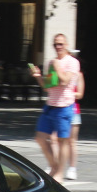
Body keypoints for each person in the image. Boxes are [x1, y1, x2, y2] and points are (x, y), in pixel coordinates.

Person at [29, 33, 80, 181]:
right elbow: (47, 86)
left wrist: (57, 67)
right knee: (40, 138)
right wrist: (38, 76)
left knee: (63, 140)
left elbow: (64, 81)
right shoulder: (50, 62)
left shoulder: (72, 62)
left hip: (65, 106)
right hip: (50, 105)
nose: (58, 47)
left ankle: (60, 173)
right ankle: (54, 166)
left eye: (61, 44)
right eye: (55, 44)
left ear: (66, 45)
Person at [66, 70, 85, 181]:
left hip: (73, 110)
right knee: (55, 139)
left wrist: (67, 93)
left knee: (71, 141)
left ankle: (72, 168)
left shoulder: (78, 74)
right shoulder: (59, 71)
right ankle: (54, 166)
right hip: (58, 109)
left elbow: (80, 94)